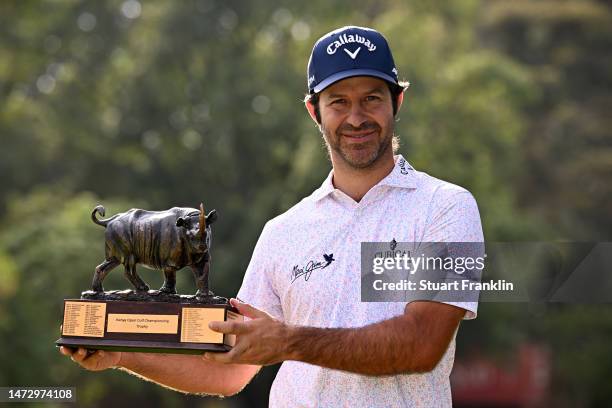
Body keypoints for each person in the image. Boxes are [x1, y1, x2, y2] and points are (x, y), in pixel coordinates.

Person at [61, 25, 484, 407]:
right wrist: (123, 353)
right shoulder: (283, 231)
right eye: (339, 101)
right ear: (314, 111)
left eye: (371, 98)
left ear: (398, 101)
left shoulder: (444, 206)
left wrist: (288, 342)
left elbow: (421, 346)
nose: (356, 117)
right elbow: (229, 370)